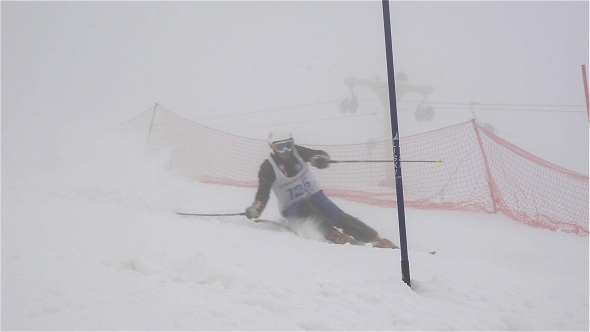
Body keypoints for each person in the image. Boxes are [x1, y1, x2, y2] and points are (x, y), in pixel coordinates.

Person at [244, 130, 398, 249]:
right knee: (306, 209)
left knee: (339, 217)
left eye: (288, 145)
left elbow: (319, 154)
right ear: (272, 147)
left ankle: (376, 240)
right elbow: (262, 194)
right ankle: (336, 236)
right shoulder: (268, 167)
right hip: (293, 206)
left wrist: (319, 159)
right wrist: (256, 209)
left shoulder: (297, 152)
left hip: (314, 194)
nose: (286, 151)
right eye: (280, 147)